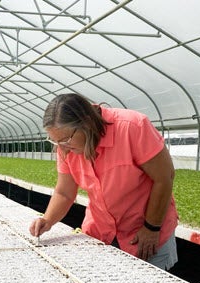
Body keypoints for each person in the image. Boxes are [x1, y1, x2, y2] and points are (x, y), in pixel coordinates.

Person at [29, 93, 179, 271]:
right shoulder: (66, 148)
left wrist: (151, 228)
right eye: (54, 141)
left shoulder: (132, 127)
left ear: (86, 123)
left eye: (65, 140)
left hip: (145, 232)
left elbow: (164, 177)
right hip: (101, 233)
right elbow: (64, 192)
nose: (61, 148)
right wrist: (48, 220)